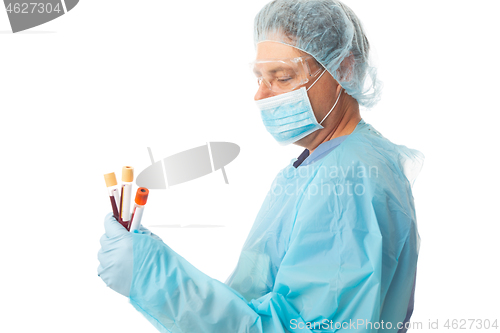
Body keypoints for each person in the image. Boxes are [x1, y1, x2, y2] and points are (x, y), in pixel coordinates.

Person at [97, 0, 424, 332]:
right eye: (260, 78)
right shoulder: (319, 165)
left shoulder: (346, 180)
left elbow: (287, 327)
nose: (261, 95)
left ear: (344, 70)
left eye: (282, 77)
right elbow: (250, 301)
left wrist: (153, 276)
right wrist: (150, 258)